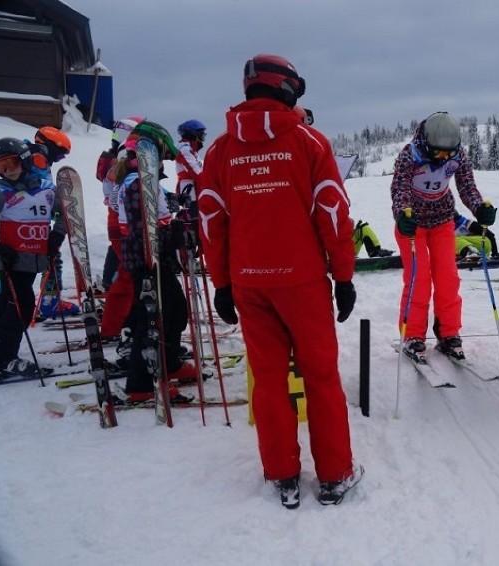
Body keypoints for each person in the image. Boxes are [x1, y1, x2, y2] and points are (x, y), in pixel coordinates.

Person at [197, 53, 363, 508]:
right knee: (322, 378)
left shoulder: (219, 150)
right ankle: (334, 475)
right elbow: (332, 211)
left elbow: (210, 220)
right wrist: (344, 276)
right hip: (303, 283)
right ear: (288, 88)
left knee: (268, 381)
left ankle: (282, 476)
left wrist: (222, 282)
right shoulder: (309, 142)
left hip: (251, 284)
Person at [390, 112, 496, 362]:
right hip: (412, 223)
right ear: (427, 143)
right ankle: (413, 335)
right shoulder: (410, 154)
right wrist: (401, 214)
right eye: (437, 153)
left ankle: (449, 333)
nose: (443, 158)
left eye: (447, 154)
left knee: (448, 277)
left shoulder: (458, 155)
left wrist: (479, 208)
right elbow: (399, 188)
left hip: (442, 221)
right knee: (419, 278)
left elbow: (467, 186)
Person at [114, 122, 197, 401]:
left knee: (174, 311)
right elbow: (143, 229)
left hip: (154, 258)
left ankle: (169, 363)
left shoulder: (142, 181)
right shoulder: (137, 183)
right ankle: (140, 385)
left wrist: (176, 206)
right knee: (151, 318)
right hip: (146, 260)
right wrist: (175, 234)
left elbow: (157, 210)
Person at [0, 137, 67, 377]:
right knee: (19, 309)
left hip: (35, 260)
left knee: (3, 308)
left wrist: (56, 237)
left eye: (11, 164)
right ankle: (4, 359)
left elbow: (65, 214)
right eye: (0, 167)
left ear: (24, 160)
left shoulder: (45, 187)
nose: (7, 171)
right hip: (12, 263)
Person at [27, 127, 81, 320]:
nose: (58, 160)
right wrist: (60, 202)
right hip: (31, 224)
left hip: (30, 221)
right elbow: (40, 190)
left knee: (21, 265)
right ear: (48, 146)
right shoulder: (36, 159)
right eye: (59, 155)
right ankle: (49, 302)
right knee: (48, 260)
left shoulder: (29, 156)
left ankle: (6, 299)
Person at [98, 117, 142, 344]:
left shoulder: (114, 160)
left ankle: (120, 326)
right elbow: (121, 193)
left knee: (128, 274)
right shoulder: (118, 162)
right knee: (130, 278)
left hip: (122, 223)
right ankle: (125, 329)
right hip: (123, 223)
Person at [175, 119, 206, 215]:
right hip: (190, 192)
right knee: (193, 222)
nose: (202, 138)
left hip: (197, 190)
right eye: (200, 135)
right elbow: (196, 172)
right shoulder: (185, 149)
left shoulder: (192, 151)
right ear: (193, 135)